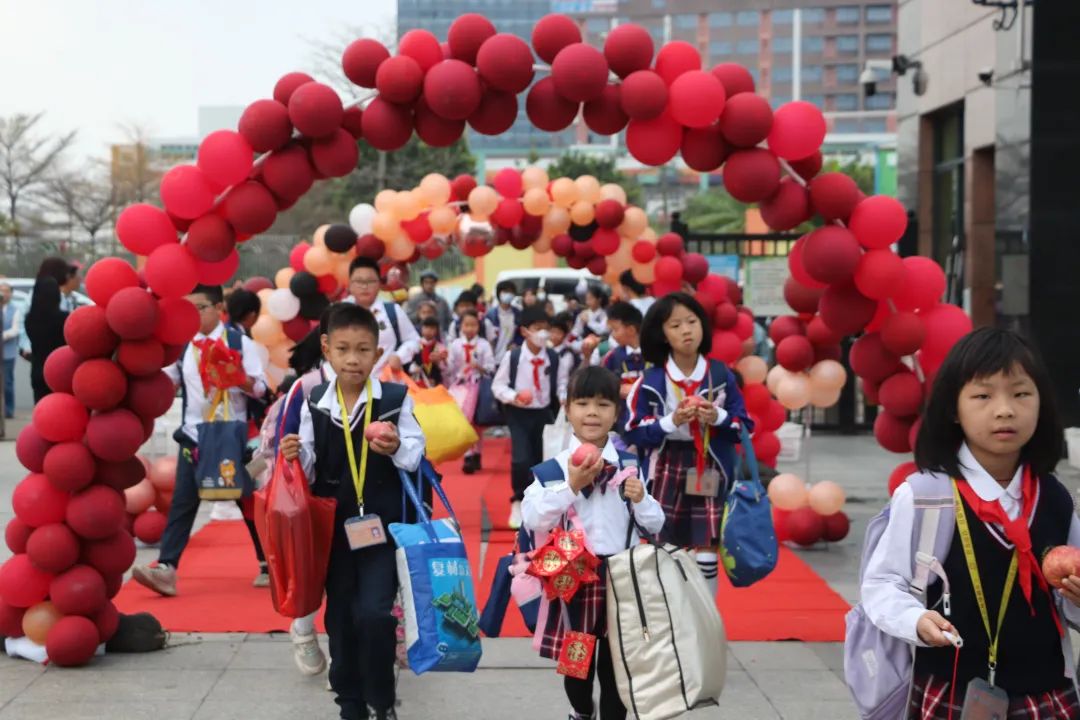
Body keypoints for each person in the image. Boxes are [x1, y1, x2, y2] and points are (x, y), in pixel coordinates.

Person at [861, 328, 1080, 718]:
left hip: (1046, 695)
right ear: (953, 409)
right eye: (983, 395)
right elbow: (881, 584)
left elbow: (1067, 605)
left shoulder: (1055, 499)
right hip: (953, 696)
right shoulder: (926, 496)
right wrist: (915, 619)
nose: (1004, 410)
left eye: (1021, 394)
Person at [280, 303, 425, 720]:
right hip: (333, 531)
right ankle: (350, 703)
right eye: (343, 349)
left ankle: (381, 699)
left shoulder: (395, 400)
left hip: (383, 528)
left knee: (376, 614)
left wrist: (397, 446)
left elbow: (417, 455)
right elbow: (307, 466)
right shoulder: (314, 403)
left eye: (363, 349)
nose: (353, 359)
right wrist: (294, 454)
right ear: (326, 349)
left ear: (377, 352)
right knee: (341, 617)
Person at [522, 366, 665, 720]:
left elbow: (657, 522)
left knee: (618, 662)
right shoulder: (552, 469)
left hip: (621, 573)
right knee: (577, 661)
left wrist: (641, 497)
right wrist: (570, 486)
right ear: (567, 410)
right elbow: (533, 518)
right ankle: (580, 712)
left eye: (603, 404)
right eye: (582, 403)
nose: (591, 413)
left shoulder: (629, 465)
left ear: (616, 414)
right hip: (574, 576)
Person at [131, 285, 269, 597]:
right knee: (183, 501)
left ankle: (267, 562)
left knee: (245, 501)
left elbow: (261, 388)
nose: (194, 315)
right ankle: (167, 567)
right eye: (188, 309)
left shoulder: (239, 342)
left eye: (201, 308)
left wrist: (237, 378)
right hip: (195, 437)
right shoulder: (182, 347)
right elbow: (166, 382)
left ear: (219, 307)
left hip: (233, 436)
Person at [625, 293, 751, 595]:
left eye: (692, 322)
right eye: (676, 325)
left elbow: (744, 426)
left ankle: (707, 616)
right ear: (662, 334)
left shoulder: (721, 375)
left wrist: (717, 416)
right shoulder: (651, 379)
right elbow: (632, 431)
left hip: (709, 463)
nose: (686, 330)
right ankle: (671, 612)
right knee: (664, 539)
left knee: (707, 541)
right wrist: (673, 421)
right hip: (665, 464)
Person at [492, 305, 571, 529]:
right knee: (521, 458)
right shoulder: (514, 356)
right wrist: (514, 395)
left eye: (546, 329)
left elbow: (562, 382)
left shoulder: (553, 357)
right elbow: (498, 385)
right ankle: (517, 499)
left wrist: (564, 396)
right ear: (525, 331)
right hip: (518, 413)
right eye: (538, 328)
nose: (543, 334)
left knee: (543, 459)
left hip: (544, 413)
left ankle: (540, 503)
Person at [346, 257, 420, 377]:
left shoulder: (392, 311)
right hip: (350, 389)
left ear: (379, 283)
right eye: (359, 281)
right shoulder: (339, 313)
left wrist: (400, 356)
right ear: (350, 285)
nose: (365, 286)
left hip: (387, 386)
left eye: (370, 281)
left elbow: (414, 340)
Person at [446, 309, 496, 474]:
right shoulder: (455, 345)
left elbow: (491, 367)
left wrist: (479, 367)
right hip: (461, 386)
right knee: (464, 422)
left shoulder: (483, 344)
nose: (469, 328)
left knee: (477, 424)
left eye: (473, 325)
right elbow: (450, 367)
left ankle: (477, 454)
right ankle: (468, 455)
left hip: (478, 386)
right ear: (461, 326)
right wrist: (443, 361)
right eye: (466, 325)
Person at [602, 302, 647, 430]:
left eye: (615, 330)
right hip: (623, 421)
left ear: (632, 330)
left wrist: (635, 390)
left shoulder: (654, 355)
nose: (612, 335)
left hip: (649, 419)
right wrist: (617, 390)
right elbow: (603, 386)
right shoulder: (612, 357)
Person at [25, 276, 67, 403]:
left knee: (41, 410)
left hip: (37, 369)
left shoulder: (30, 319)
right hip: (60, 370)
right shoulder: (64, 319)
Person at [486, 279, 522, 363]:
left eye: (511, 292)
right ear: (499, 294)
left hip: (511, 358)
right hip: (494, 358)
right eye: (505, 291)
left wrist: (516, 343)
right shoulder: (491, 314)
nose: (508, 294)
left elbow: (521, 333)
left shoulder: (518, 314)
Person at [408, 317, 447, 388]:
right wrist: (412, 367)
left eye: (432, 328)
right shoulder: (414, 344)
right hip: (416, 379)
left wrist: (438, 362)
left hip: (434, 381)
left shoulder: (440, 347)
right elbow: (408, 361)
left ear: (437, 331)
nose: (428, 330)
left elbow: (444, 368)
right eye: (426, 327)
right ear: (421, 328)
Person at [1, 283, 21, 418]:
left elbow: (15, 329)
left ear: (11, 293)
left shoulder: (15, 309)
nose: (3, 293)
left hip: (8, 352)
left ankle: (9, 410)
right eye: (1, 291)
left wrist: (2, 336)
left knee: (7, 382)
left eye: (6, 291)